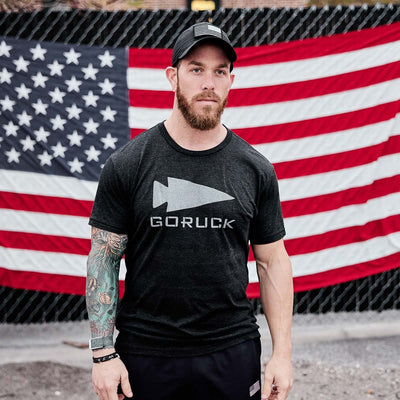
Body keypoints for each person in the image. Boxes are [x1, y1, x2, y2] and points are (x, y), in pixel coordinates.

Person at [86, 22, 293, 400]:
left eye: (219, 71)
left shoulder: (255, 168)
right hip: (146, 354)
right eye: (196, 69)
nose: (208, 82)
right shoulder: (128, 164)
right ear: (173, 77)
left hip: (231, 351)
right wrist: (103, 353)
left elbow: (272, 261)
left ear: (231, 80)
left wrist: (282, 354)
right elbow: (104, 257)